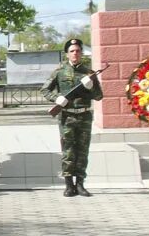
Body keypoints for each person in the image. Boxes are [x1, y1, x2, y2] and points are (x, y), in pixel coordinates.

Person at [42, 39, 103, 197]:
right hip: (67, 116)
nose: (75, 53)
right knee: (68, 151)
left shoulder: (89, 73)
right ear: (67, 53)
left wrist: (92, 87)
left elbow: (98, 96)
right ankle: (69, 185)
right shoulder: (59, 71)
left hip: (84, 115)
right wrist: (56, 98)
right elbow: (45, 89)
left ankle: (80, 184)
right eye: (72, 51)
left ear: (81, 53)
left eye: (78, 51)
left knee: (82, 151)